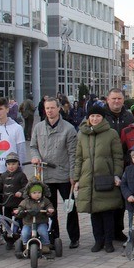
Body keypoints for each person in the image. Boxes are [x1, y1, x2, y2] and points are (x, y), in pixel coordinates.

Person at [29, 97, 80, 249]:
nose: (50, 111)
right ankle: (53, 236)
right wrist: (36, 157)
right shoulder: (38, 128)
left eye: (52, 108)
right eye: (47, 108)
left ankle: (74, 237)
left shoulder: (69, 129)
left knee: (69, 207)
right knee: (50, 209)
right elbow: (32, 146)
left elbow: (73, 154)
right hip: (45, 175)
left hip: (64, 175)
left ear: (59, 109)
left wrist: (73, 175)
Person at [74, 105, 124, 253]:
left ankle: (109, 242)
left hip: (106, 178)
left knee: (107, 212)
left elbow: (118, 157)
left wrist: (116, 174)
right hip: (88, 178)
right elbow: (78, 158)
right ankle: (98, 241)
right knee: (94, 213)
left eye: (98, 116)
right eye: (92, 116)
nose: (95, 119)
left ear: (102, 118)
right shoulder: (82, 134)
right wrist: (76, 178)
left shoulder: (111, 133)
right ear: (88, 118)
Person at [103, 88, 134, 242]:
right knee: (106, 198)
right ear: (107, 100)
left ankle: (118, 230)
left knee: (122, 200)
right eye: (113, 98)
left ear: (123, 100)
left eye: (119, 99)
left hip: (125, 163)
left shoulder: (129, 117)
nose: (116, 101)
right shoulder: (101, 116)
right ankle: (105, 232)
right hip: (105, 164)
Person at [14, 181, 55, 255]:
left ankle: (45, 245)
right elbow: (21, 207)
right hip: (28, 222)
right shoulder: (25, 201)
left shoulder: (45, 201)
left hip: (41, 222)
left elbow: (49, 205)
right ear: (30, 193)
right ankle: (25, 245)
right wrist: (18, 211)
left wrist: (50, 209)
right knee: (25, 233)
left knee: (43, 231)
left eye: (39, 193)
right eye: (34, 193)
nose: (37, 195)